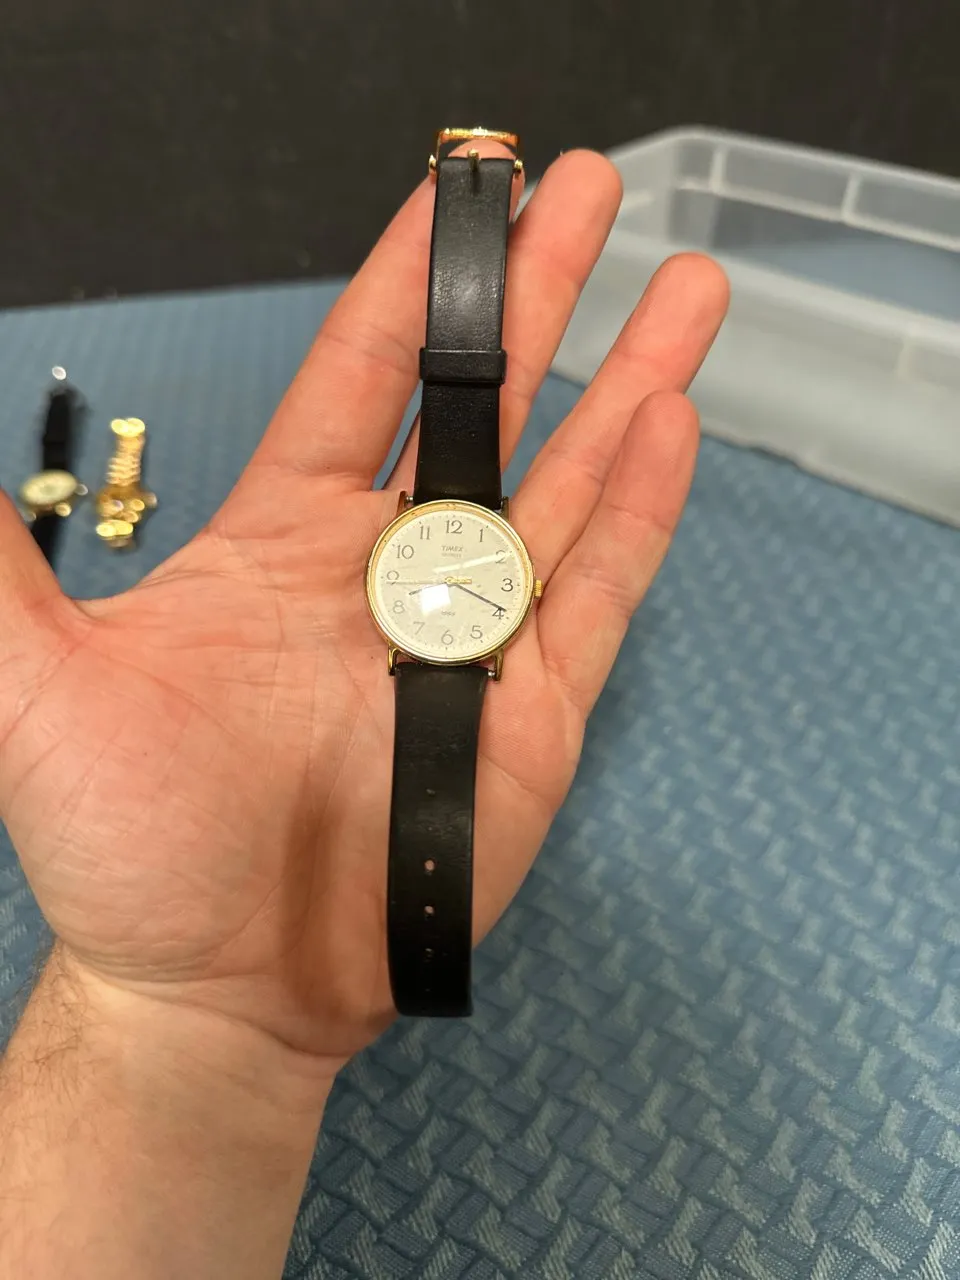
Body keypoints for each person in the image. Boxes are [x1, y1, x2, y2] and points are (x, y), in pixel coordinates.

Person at [0, 146, 728, 1277]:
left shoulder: (441, 579)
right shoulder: (432, 580)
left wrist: (166, 1025)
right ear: (398, 564)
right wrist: (175, 1013)